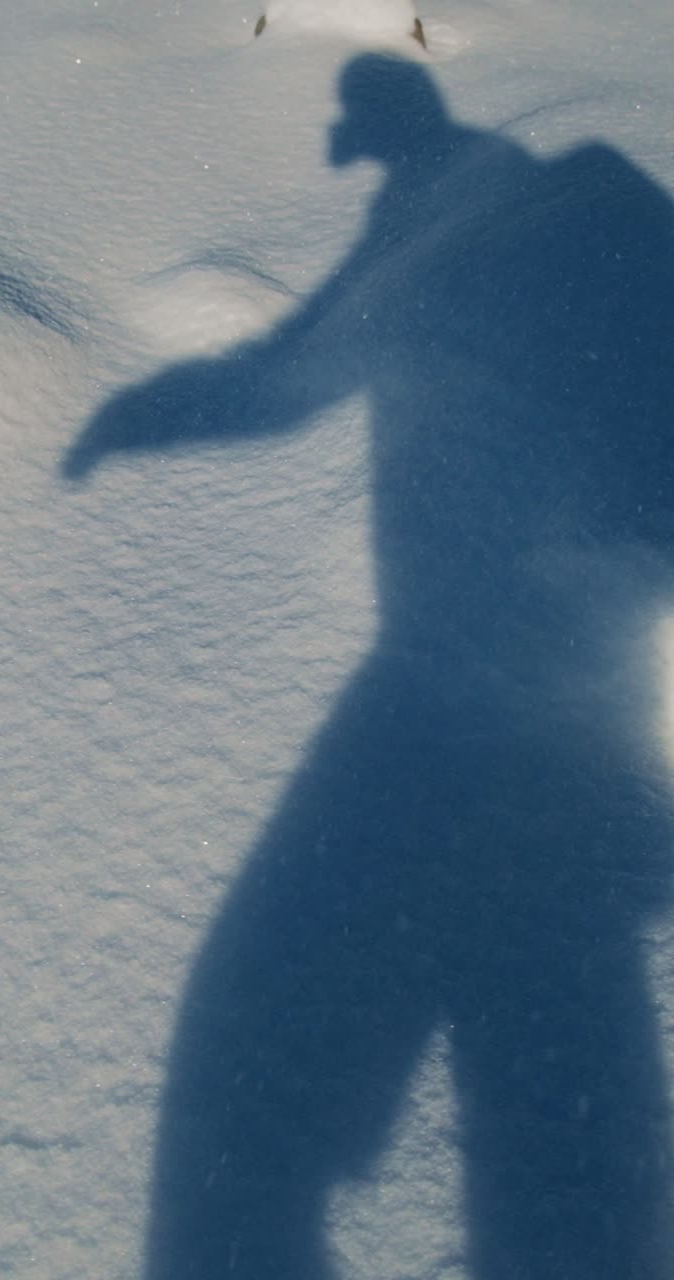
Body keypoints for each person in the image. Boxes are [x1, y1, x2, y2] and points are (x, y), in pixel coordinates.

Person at [66, 54, 674, 1280]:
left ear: (396, 130)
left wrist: (139, 415)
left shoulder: (456, 228)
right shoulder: (559, 216)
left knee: (253, 1056)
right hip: (569, 691)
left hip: (456, 697)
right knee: (559, 1066)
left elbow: (289, 379)